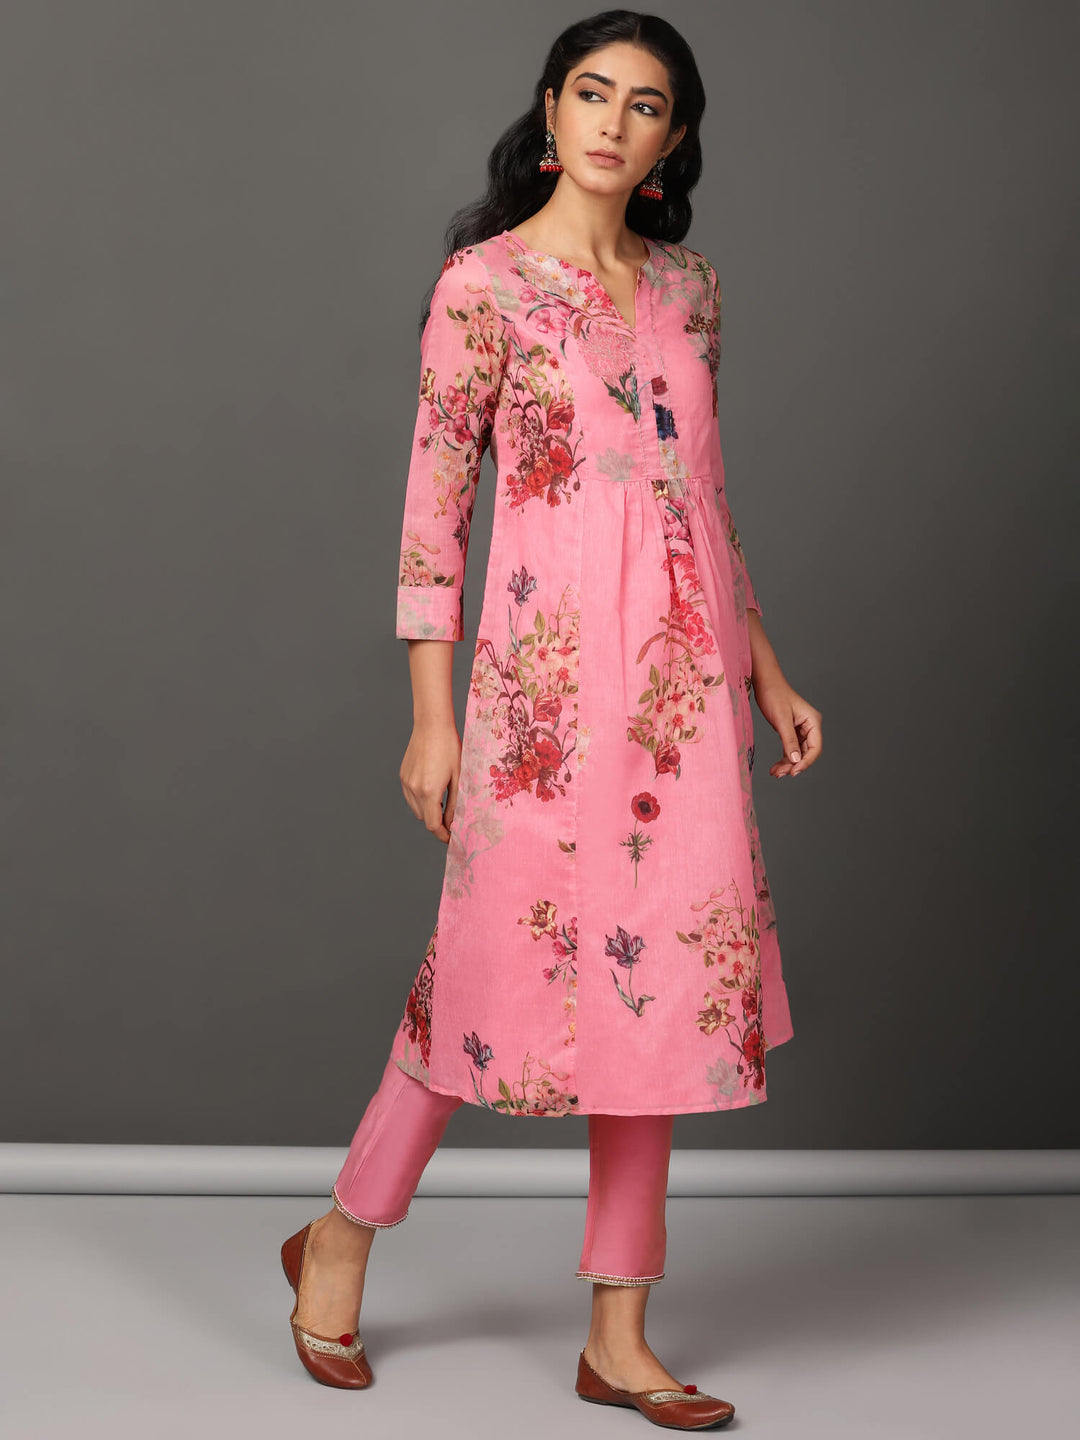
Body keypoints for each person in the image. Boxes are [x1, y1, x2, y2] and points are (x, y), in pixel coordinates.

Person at [281, 10, 822, 1429]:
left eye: (646, 105)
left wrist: (765, 669)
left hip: (684, 697)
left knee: (659, 994)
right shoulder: (484, 289)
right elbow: (433, 514)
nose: (613, 122)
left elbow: (703, 495)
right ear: (549, 108)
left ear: (672, 141)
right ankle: (342, 1232)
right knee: (484, 971)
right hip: (540, 697)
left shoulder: (692, 290)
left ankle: (620, 1336)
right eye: (592, 93)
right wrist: (432, 718)